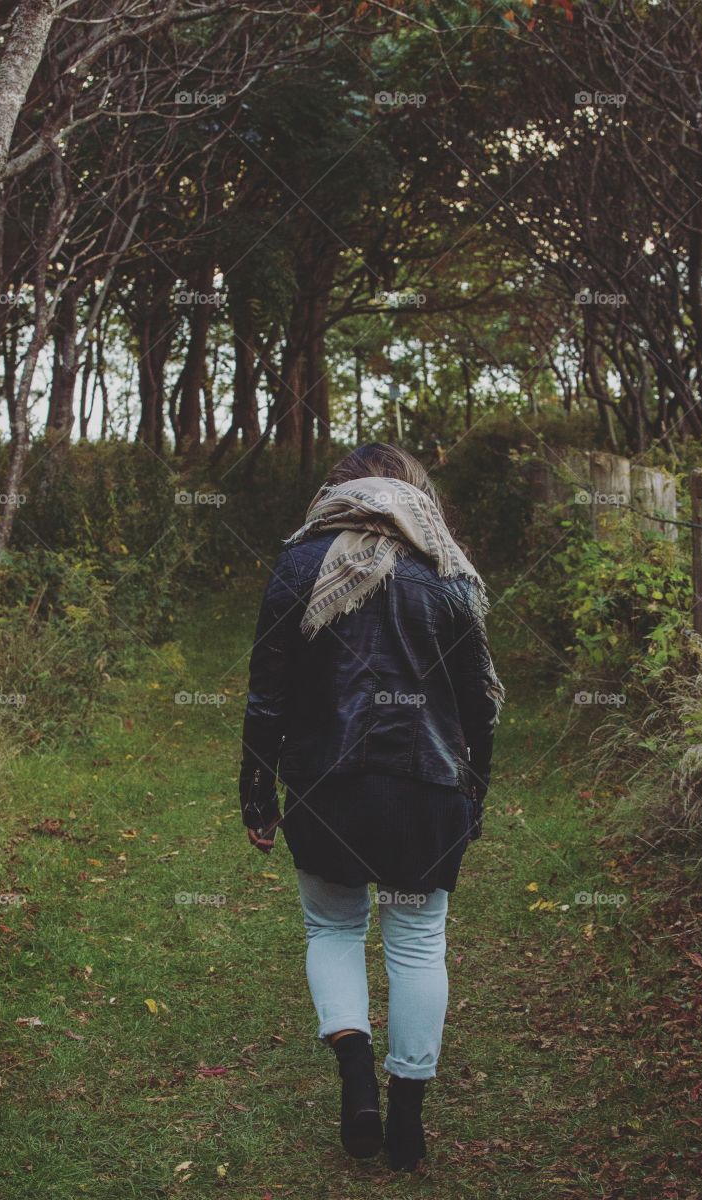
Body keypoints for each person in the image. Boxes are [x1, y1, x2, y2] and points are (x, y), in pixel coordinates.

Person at [238, 442, 503, 1171]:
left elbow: (268, 695)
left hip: (327, 786)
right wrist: (474, 788)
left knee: (332, 926)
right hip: (427, 787)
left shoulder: (300, 565)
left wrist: (256, 795)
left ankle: (356, 1081)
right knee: (417, 943)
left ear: (335, 494)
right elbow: (480, 703)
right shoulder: (449, 570)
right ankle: (408, 1121)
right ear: (416, 494)